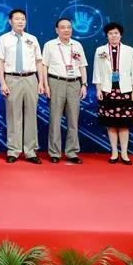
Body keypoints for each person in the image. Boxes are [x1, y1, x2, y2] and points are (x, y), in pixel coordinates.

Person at [0, 9, 42, 163]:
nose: (20, 21)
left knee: (31, 116)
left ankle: (31, 151)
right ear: (10, 21)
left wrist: (41, 82)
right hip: (12, 79)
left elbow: (39, 62)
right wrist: (2, 83)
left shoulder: (32, 39)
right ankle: (13, 151)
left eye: (23, 19)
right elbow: (0, 62)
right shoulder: (3, 39)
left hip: (30, 79)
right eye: (17, 19)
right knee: (13, 116)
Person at [39, 18, 88, 164]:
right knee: (55, 119)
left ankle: (72, 152)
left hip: (74, 84)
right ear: (57, 30)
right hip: (56, 82)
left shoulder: (77, 45)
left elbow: (82, 66)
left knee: (73, 120)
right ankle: (54, 152)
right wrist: (46, 85)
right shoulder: (49, 45)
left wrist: (84, 84)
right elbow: (44, 66)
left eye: (69, 27)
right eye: (63, 27)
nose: (66, 30)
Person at [92, 22, 133, 165]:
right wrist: (98, 89)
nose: (113, 36)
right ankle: (114, 152)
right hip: (107, 90)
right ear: (107, 35)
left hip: (125, 91)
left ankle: (124, 153)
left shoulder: (129, 50)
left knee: (124, 124)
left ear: (120, 35)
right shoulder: (100, 50)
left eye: (116, 33)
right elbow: (96, 70)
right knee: (111, 124)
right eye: (110, 33)